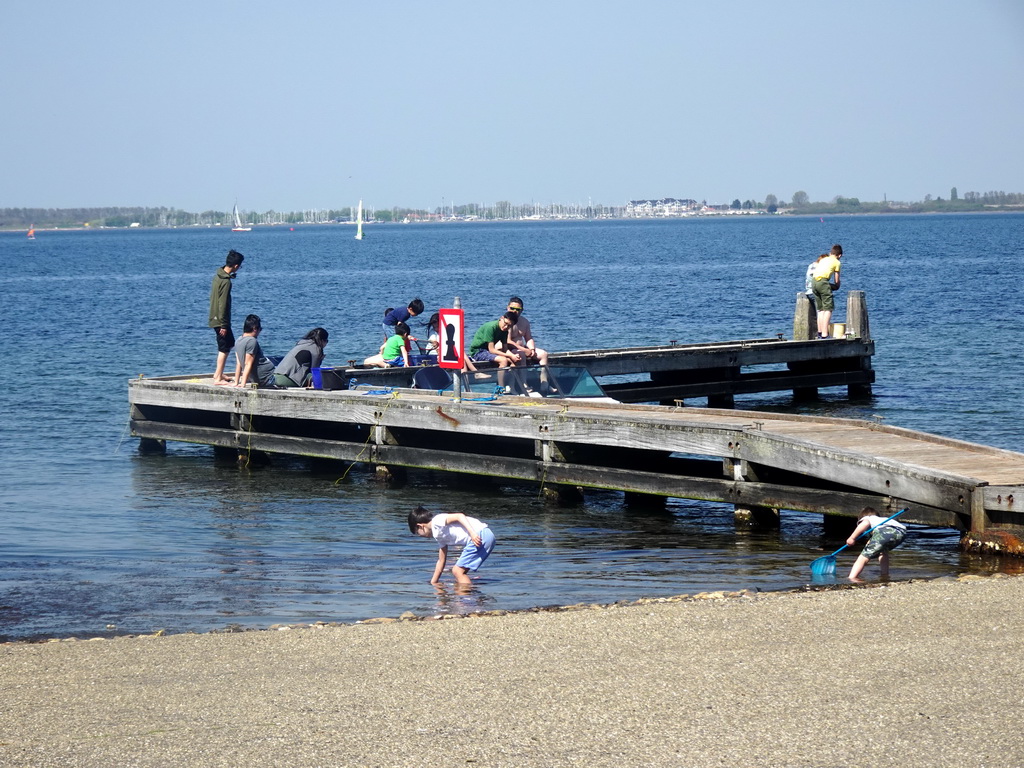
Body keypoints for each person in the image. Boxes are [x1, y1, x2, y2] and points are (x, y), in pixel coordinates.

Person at [407, 506, 496, 585]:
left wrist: (472, 533)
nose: (421, 536)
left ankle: (468, 599)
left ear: (420, 526)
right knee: (459, 574)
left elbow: (459, 516)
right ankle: (468, 597)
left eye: (418, 533)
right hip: (485, 536)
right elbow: (441, 561)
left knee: (457, 571)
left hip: (480, 535)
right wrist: (433, 582)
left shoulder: (437, 521)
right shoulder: (438, 536)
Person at [208, 249, 244, 384]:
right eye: (240, 266)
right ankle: (217, 378)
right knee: (224, 347)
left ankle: (218, 374)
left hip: (215, 317)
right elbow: (222, 303)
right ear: (236, 266)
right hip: (220, 320)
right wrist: (223, 324)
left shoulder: (218, 275)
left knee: (228, 344)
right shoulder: (226, 281)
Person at [846, 506, 907, 580]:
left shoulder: (867, 518)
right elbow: (875, 540)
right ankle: (885, 574)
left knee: (863, 557)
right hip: (902, 533)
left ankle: (852, 578)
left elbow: (865, 524)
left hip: (884, 531)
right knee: (883, 552)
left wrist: (852, 538)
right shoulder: (883, 520)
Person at [232, 314, 276, 388]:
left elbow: (239, 363)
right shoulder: (252, 341)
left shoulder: (238, 341)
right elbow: (248, 364)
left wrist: (236, 382)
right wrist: (243, 384)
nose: (260, 332)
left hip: (260, 379)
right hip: (268, 377)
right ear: (255, 328)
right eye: (260, 329)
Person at [506, 296, 549, 367]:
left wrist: (532, 349)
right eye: (512, 308)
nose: (514, 311)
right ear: (508, 308)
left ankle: (544, 378)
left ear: (522, 310)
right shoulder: (506, 322)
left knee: (543, 354)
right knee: (521, 355)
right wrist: (524, 350)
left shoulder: (524, 322)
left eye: (517, 309)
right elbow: (508, 341)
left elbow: (528, 338)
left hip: (522, 348)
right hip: (510, 349)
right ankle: (523, 378)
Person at [810, 244, 843, 338]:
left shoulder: (824, 259)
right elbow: (837, 280)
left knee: (820, 310)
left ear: (830, 253)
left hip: (814, 282)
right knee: (828, 309)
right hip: (823, 282)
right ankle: (825, 334)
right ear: (839, 255)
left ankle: (820, 333)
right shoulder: (837, 262)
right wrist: (836, 286)